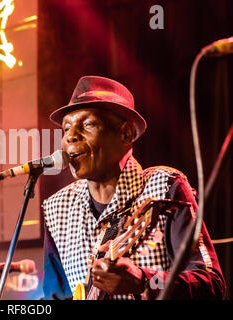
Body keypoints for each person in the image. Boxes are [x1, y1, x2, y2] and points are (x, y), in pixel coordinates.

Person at [42, 76, 226, 300]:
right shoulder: (57, 208)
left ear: (125, 134)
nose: (70, 136)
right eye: (66, 128)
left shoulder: (164, 186)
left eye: (87, 124)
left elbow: (211, 284)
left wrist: (145, 280)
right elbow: (56, 295)